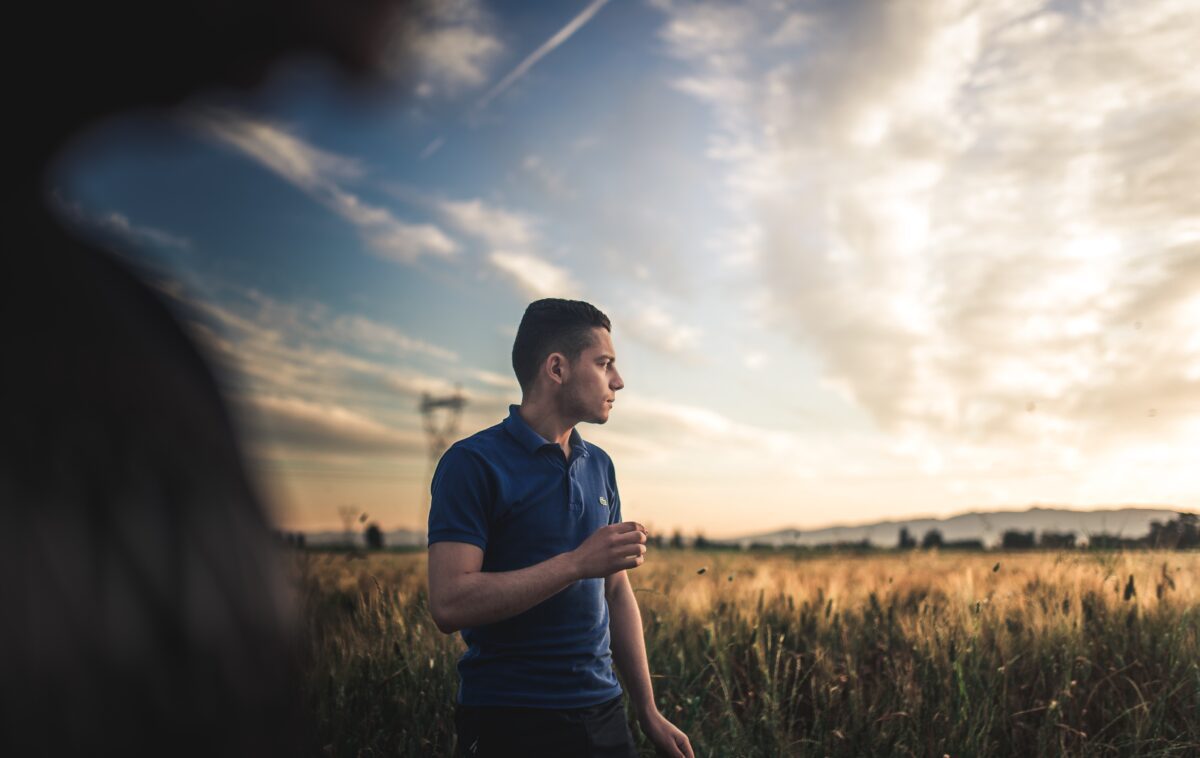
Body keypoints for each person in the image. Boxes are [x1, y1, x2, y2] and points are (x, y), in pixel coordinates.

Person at [427, 299, 694, 758]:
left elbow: (615, 592)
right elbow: (449, 603)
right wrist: (575, 564)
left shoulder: (600, 466)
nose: (618, 381)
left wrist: (647, 709)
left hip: (603, 713)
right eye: (604, 363)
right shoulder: (471, 464)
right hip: (509, 719)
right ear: (557, 368)